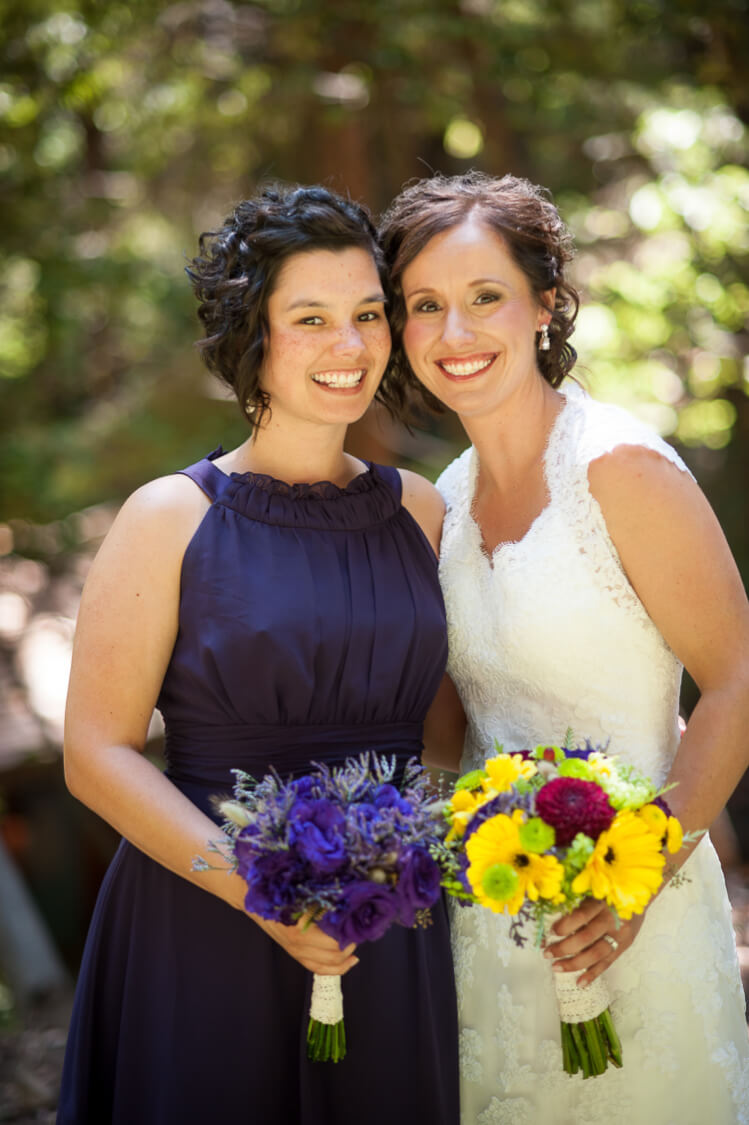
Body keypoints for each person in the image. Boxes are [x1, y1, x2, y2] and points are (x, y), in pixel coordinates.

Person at [57, 184, 459, 1125]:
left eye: (367, 315)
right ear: (254, 338)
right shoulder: (170, 517)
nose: (350, 346)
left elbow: (446, 737)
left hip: (384, 924)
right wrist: (260, 895)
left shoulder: (422, 512)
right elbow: (96, 752)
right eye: (310, 318)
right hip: (203, 921)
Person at [380, 171, 749, 1123]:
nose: (454, 334)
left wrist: (639, 877)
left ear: (545, 303)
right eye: (426, 306)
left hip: (637, 911)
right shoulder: (442, 505)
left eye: (483, 298)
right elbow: (445, 735)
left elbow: (738, 677)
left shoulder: (619, 468)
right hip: (487, 924)